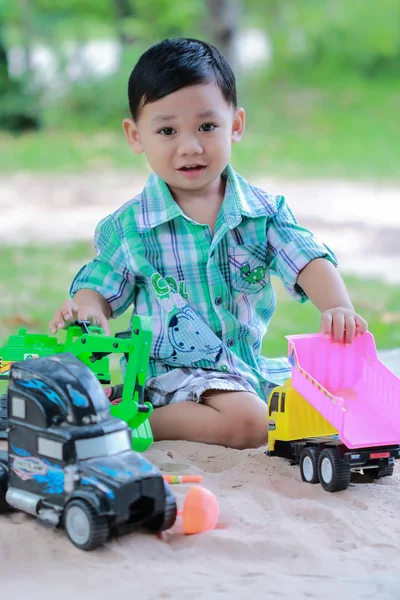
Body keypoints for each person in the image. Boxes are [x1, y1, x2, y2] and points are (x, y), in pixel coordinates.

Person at [49, 38, 367, 450]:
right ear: (136, 135)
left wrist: (338, 306)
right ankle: (132, 421)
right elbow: (101, 286)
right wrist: (88, 308)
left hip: (241, 368)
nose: (190, 146)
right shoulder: (132, 227)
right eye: (167, 130)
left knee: (323, 403)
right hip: (168, 374)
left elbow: (306, 258)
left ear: (235, 125)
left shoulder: (262, 212)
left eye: (207, 126)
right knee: (252, 423)